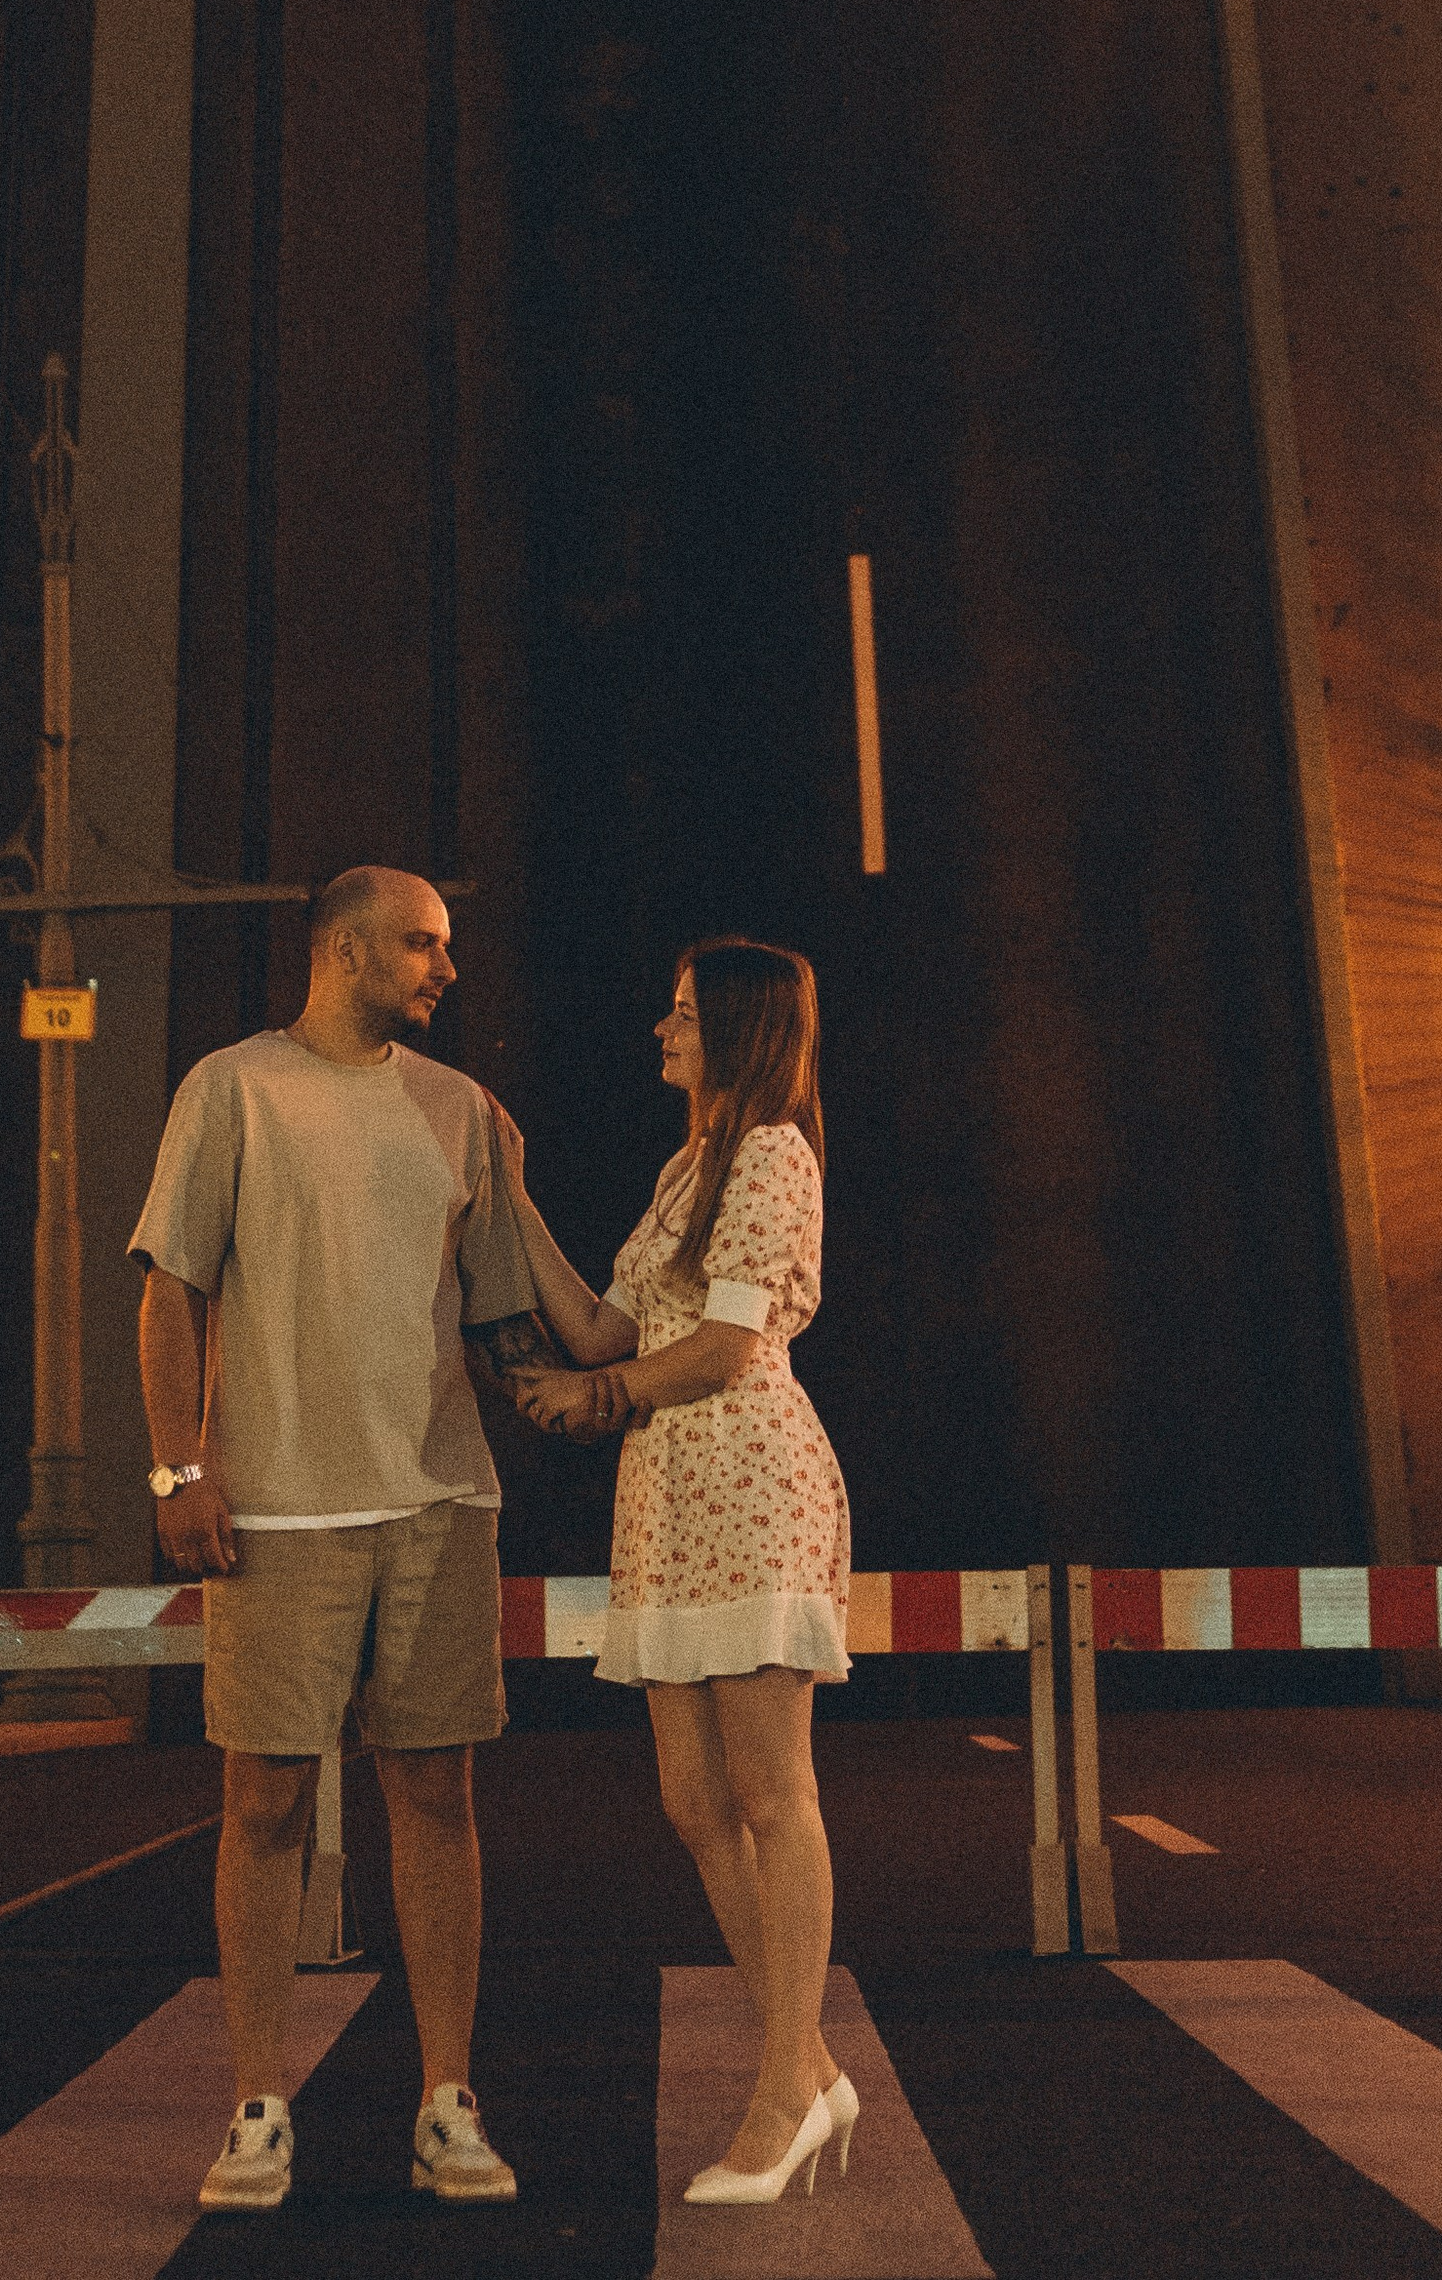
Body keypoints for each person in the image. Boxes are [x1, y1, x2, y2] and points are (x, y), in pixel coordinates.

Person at [132, 865, 560, 2217]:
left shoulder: (462, 1111)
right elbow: (168, 1289)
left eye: (447, 947)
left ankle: (448, 2099)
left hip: (440, 1504)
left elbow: (508, 1318)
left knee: (437, 1796)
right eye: (422, 945)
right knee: (261, 1800)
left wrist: (638, 1374)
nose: (445, 970)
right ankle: (261, 2104)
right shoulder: (231, 1087)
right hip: (276, 1511)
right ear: (344, 949)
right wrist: (180, 1469)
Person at [498, 936, 857, 2208]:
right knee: (694, 1802)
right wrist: (512, 1194)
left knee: (772, 1791)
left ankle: (782, 2094)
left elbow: (714, 1350)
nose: (662, 1029)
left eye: (685, 1013)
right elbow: (610, 1325)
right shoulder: (687, 1165)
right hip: (665, 1498)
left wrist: (596, 1395)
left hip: (748, 1479)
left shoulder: (771, 1154)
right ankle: (806, 2061)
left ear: (742, 1032)